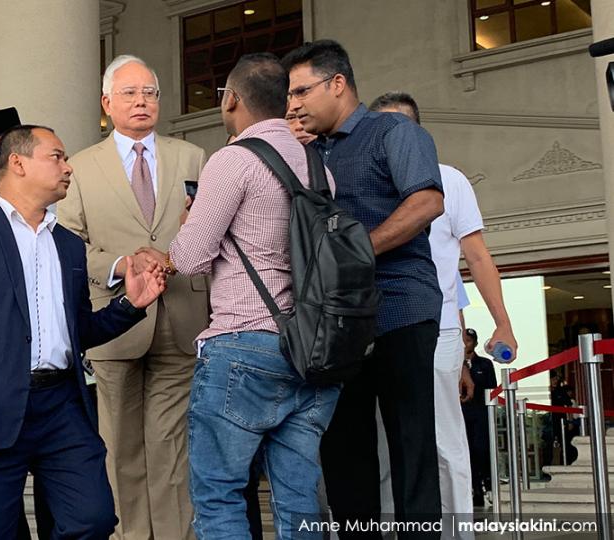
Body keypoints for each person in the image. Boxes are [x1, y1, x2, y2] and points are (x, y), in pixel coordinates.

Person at [0, 124, 167, 539]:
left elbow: (79, 329)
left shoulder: (67, 244)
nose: (68, 167)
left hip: (62, 406)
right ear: (18, 163)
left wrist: (130, 305)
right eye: (57, 157)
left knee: (93, 518)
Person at [167, 52, 340, 539]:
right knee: (298, 499)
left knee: (218, 495)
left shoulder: (233, 160)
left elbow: (190, 257)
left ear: (232, 100)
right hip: (312, 350)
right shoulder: (318, 168)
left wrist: (189, 220)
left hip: (244, 344)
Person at [283, 41, 445, 537]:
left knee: (411, 446)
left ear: (337, 84)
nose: (293, 104)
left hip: (399, 308)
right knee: (344, 451)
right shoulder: (307, 152)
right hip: (335, 322)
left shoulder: (392, 131)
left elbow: (427, 202)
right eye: (289, 95)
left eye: (301, 91)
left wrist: (356, 253)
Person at [57, 54, 207, 540]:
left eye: (149, 92)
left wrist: (175, 257)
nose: (141, 101)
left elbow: (210, 230)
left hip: (183, 314)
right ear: (106, 103)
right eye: (129, 93)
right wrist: (122, 264)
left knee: (172, 445)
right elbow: (67, 244)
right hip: (114, 318)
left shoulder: (193, 157)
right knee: (118, 444)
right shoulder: (80, 167)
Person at [371, 91, 517, 530]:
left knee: (442, 441)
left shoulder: (448, 180)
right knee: (383, 443)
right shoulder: (363, 179)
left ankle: (457, 533)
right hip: (375, 327)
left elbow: (476, 257)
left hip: (436, 331)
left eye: (399, 129)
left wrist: (503, 323)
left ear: (418, 133)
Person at [461, 328, 497, 508]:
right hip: (462, 414)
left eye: (469, 340)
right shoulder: (455, 364)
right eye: (464, 340)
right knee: (467, 452)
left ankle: (488, 484)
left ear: (475, 343)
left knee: (482, 450)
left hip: (481, 414)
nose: (466, 344)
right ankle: (475, 489)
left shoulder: (484, 364)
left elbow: (492, 388)